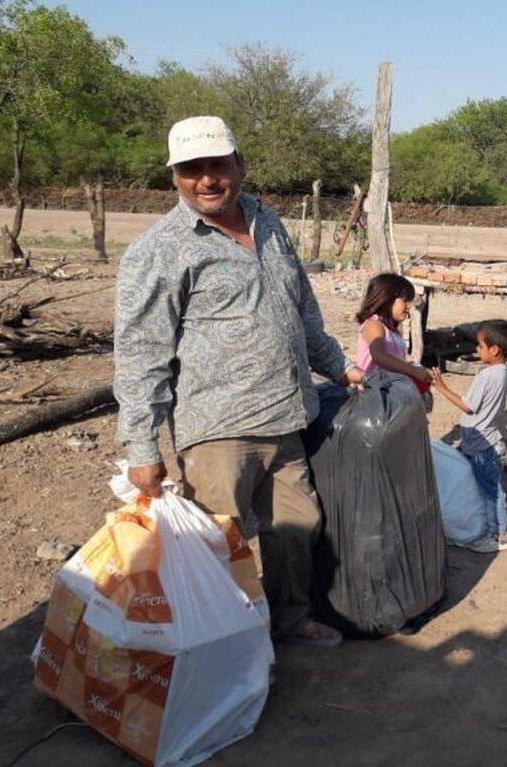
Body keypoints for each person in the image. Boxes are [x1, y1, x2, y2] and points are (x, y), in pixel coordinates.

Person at [113, 115, 349, 647]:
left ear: (239, 165)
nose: (207, 179)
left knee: (297, 531)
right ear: (173, 176)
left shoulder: (267, 221)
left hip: (287, 416)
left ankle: (288, 623)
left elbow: (302, 309)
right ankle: (227, 648)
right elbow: (140, 354)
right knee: (221, 546)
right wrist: (142, 445)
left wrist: (340, 366)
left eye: (217, 164)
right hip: (218, 429)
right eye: (191, 169)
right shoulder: (161, 249)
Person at [430, 320, 507, 553]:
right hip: (481, 443)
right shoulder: (502, 372)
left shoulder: (487, 376)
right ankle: (488, 527)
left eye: (479, 346)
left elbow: (468, 406)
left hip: (483, 447)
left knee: (492, 493)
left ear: (494, 349)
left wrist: (441, 387)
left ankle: (499, 536)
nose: (477, 350)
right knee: (483, 487)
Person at [355, 273, 432, 385]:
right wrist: (413, 370)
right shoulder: (374, 325)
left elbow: (393, 359)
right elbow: (378, 355)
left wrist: (410, 365)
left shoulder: (392, 330)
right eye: (405, 301)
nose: (409, 306)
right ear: (387, 299)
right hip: (374, 391)